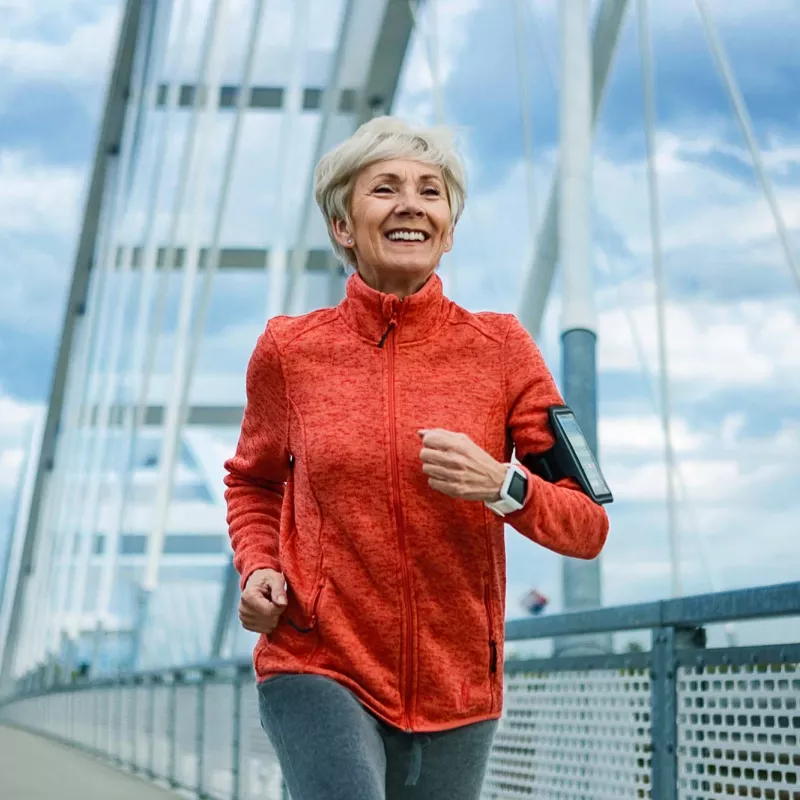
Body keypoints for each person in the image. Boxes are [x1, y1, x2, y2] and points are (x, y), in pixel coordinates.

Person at [223, 116, 609, 800]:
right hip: (317, 658)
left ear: (449, 231)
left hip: (456, 679)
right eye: (385, 189)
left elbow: (587, 527)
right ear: (344, 227)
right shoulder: (289, 352)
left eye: (431, 191)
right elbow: (253, 482)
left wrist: (503, 484)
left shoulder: (502, 349)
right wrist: (259, 569)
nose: (411, 203)